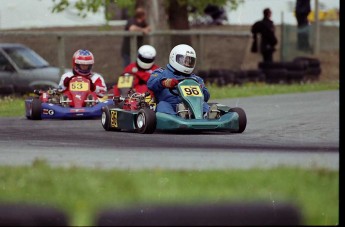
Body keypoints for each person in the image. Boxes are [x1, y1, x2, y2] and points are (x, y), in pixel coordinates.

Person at [147, 44, 218, 119]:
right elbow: (151, 83)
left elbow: (206, 97)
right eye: (184, 60)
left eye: (190, 61)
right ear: (173, 58)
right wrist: (165, 82)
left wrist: (201, 90)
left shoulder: (196, 78)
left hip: (193, 106)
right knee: (163, 105)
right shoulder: (162, 73)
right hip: (170, 104)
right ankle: (177, 117)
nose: (187, 63)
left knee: (203, 105)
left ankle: (207, 115)